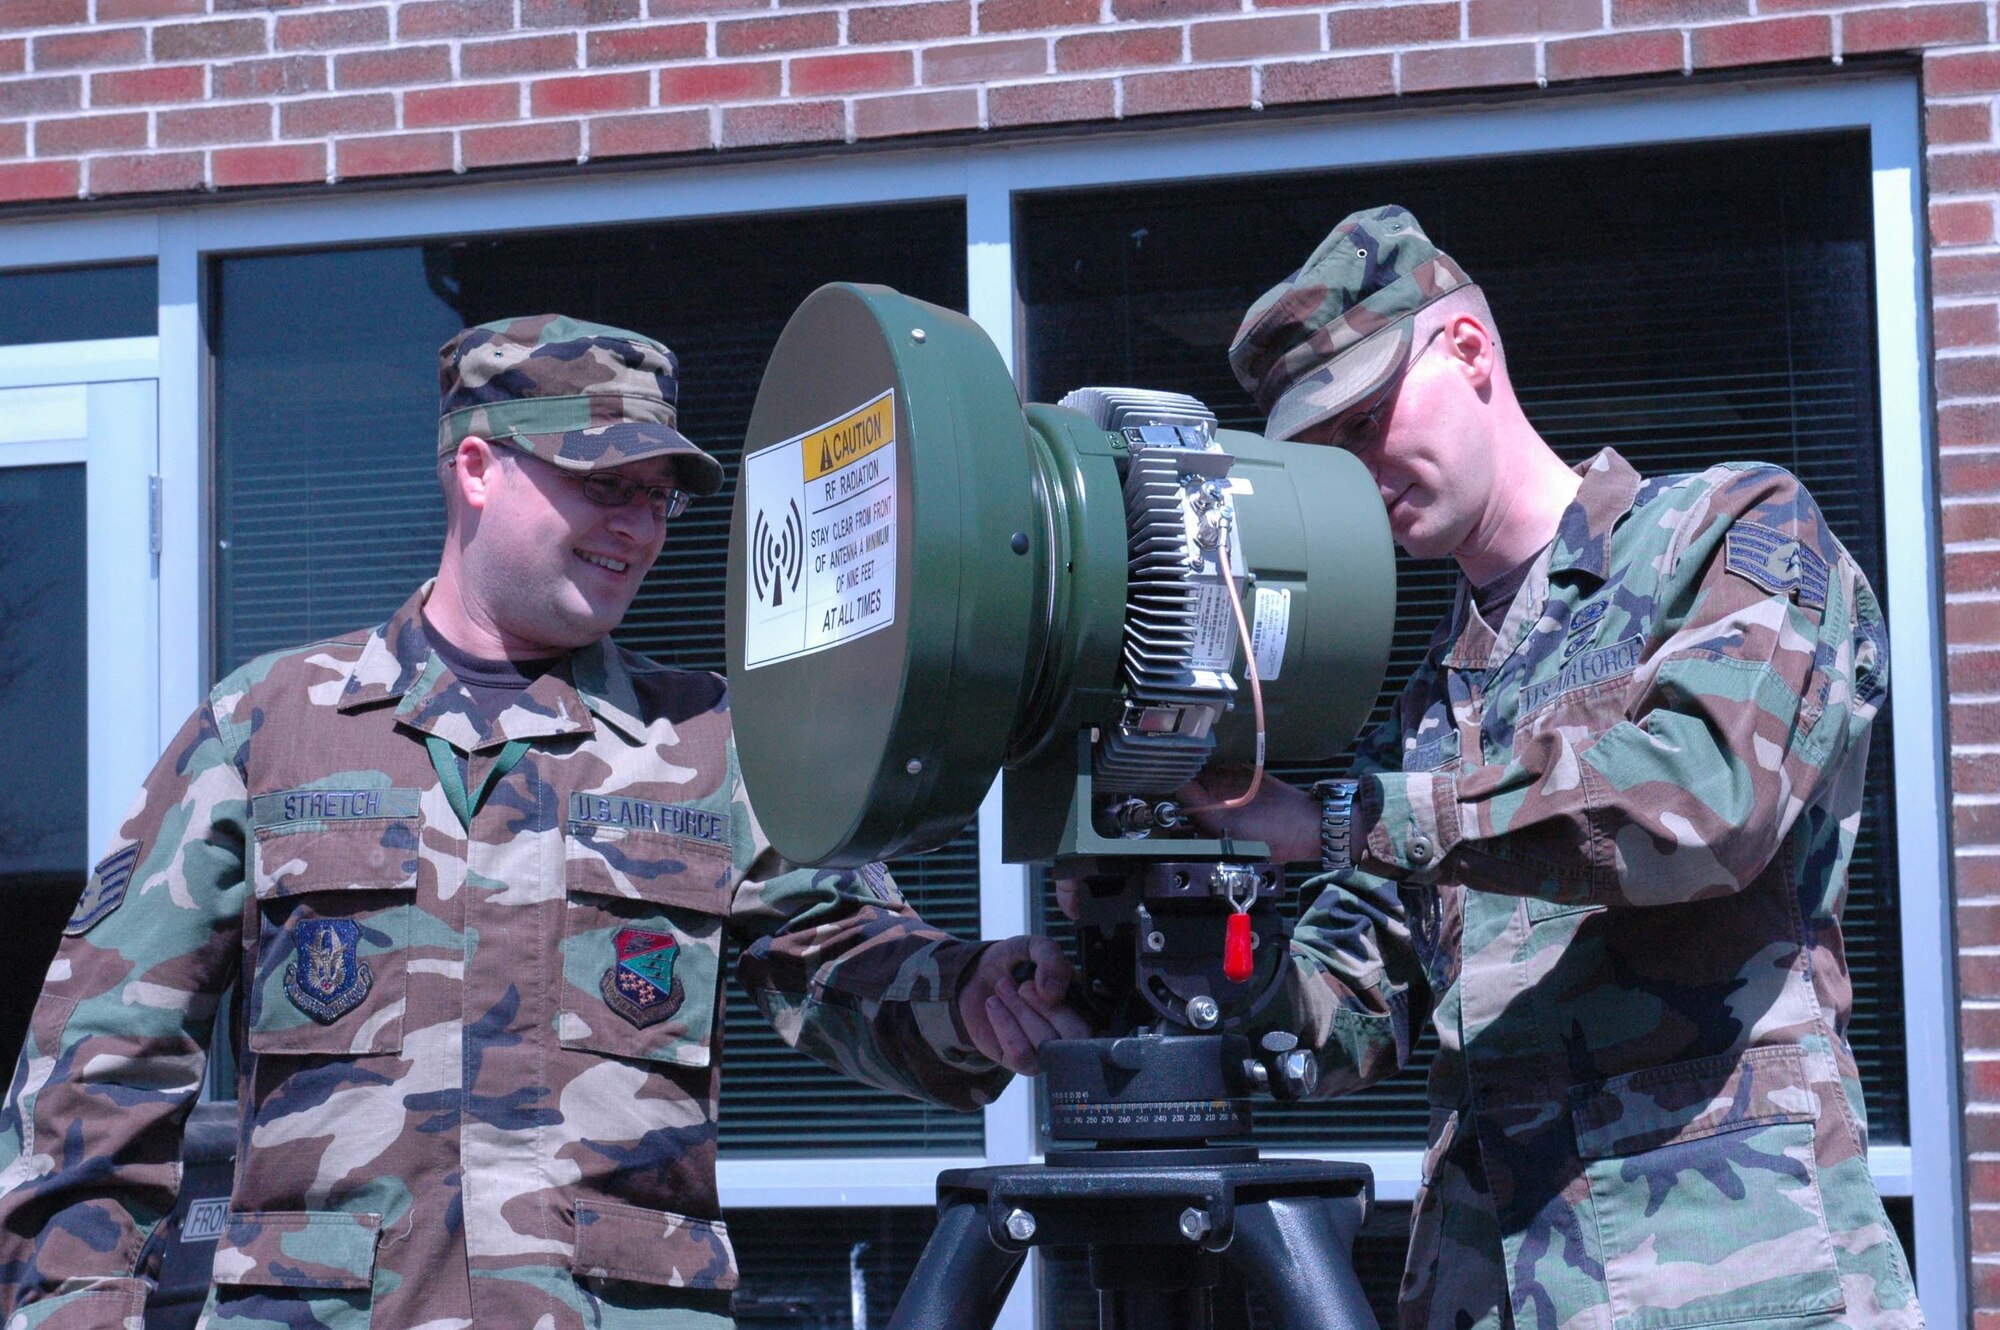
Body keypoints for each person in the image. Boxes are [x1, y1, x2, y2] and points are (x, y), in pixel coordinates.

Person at [0, 315, 1085, 1329]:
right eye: (604, 482)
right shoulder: (269, 727)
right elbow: (98, 1070)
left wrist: (976, 997)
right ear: (477, 468)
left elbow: (850, 964)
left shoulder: (710, 743)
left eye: (661, 495)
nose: (639, 526)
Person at [1190, 207, 1918, 1329]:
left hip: (1726, 1278)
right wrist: (1189, 944)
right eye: (1320, 450)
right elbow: (1346, 1007)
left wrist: (1341, 815)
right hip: (1489, 1284)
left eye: (1369, 416)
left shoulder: (1722, 534)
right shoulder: (1430, 701)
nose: (1356, 469)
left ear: (1469, 351)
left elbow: (1698, 802)